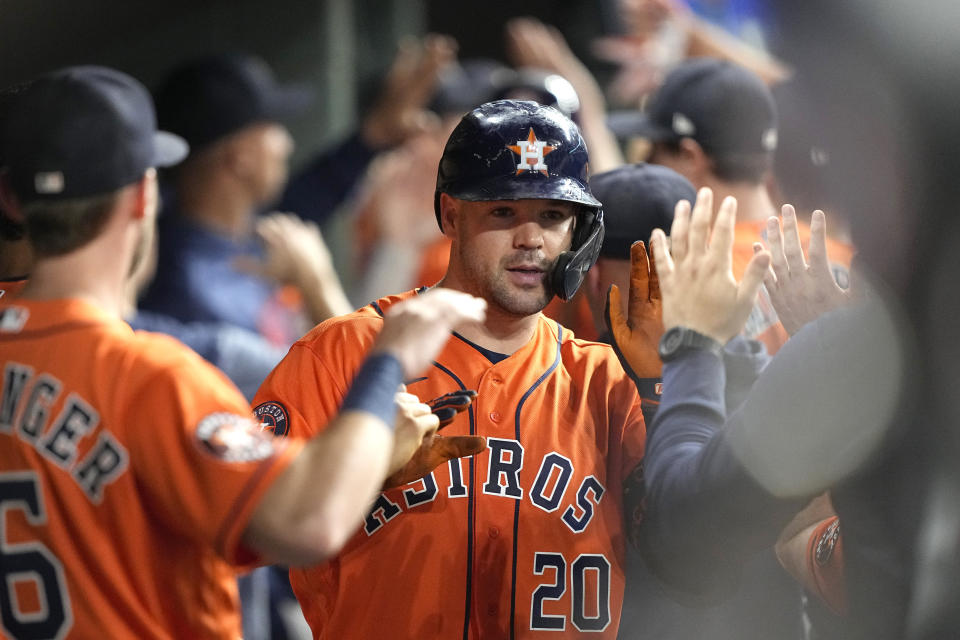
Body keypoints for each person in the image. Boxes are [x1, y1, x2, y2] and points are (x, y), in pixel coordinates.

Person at [0, 64, 487, 639]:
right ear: (142, 197)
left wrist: (360, 467)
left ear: (12, 200)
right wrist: (384, 367)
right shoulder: (153, 376)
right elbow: (309, 522)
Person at [253, 99, 647, 638]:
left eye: (552, 216)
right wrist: (355, 474)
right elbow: (247, 528)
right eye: (503, 212)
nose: (530, 239)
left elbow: (699, 558)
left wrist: (670, 378)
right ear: (451, 215)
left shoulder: (610, 384)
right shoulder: (341, 355)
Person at [624, 57, 853, 354]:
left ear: (690, 157)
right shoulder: (843, 257)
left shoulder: (674, 271)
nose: (645, 166)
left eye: (654, 152)